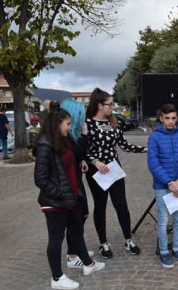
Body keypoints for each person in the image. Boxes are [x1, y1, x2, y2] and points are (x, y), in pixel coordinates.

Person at [34, 103, 104, 290]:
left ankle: (88, 264)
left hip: (71, 198)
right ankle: (57, 278)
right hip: (55, 202)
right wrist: (60, 193)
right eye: (67, 123)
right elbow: (40, 179)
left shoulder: (63, 141)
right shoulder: (44, 145)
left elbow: (70, 163)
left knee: (77, 231)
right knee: (56, 239)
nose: (69, 126)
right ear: (58, 125)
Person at [85, 88, 147, 258]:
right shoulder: (87, 124)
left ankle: (128, 239)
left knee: (121, 204)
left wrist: (147, 149)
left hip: (114, 169)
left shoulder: (113, 122)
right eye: (109, 104)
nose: (112, 107)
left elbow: (124, 145)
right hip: (96, 171)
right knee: (100, 206)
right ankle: (103, 243)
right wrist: (95, 161)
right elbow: (83, 149)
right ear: (99, 105)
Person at [148, 104, 178, 268]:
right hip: (162, 185)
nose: (171, 121)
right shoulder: (154, 137)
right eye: (167, 118)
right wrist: (169, 182)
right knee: (163, 220)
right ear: (161, 118)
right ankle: (164, 252)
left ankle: (177, 248)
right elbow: (153, 163)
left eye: (174, 118)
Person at [60, 99, 95, 269]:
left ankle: (76, 250)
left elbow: (78, 153)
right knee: (77, 218)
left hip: (76, 181)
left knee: (82, 215)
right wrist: (85, 135)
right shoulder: (66, 137)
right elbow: (78, 150)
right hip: (70, 185)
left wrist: (81, 160)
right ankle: (73, 255)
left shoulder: (70, 136)